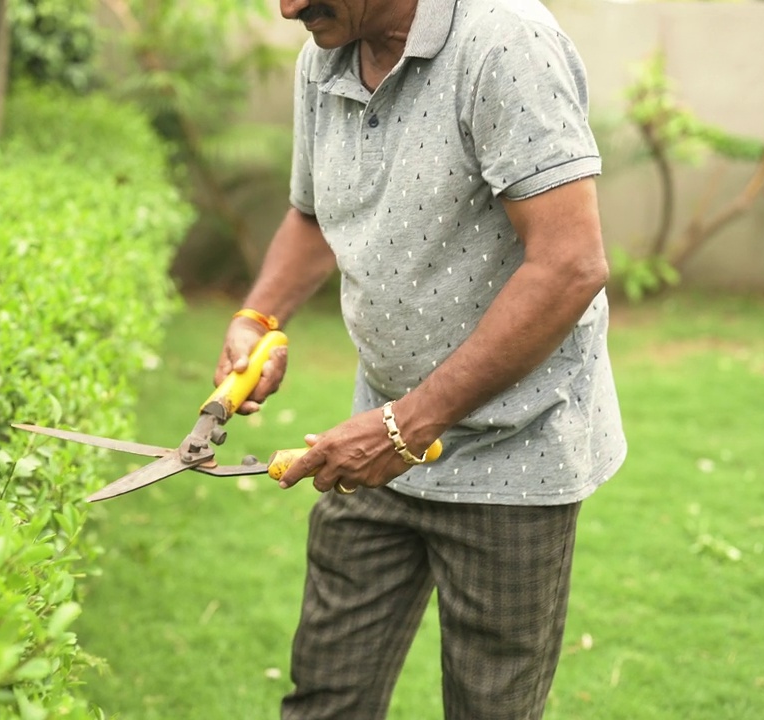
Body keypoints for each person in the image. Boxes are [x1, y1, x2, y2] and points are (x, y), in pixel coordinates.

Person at [213, 0, 627, 717]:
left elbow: (569, 264)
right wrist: (258, 317)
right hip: (371, 438)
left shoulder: (506, 44)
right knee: (325, 697)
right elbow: (313, 213)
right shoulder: (328, 54)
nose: (287, 8)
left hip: (513, 457)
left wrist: (406, 428)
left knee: (490, 708)